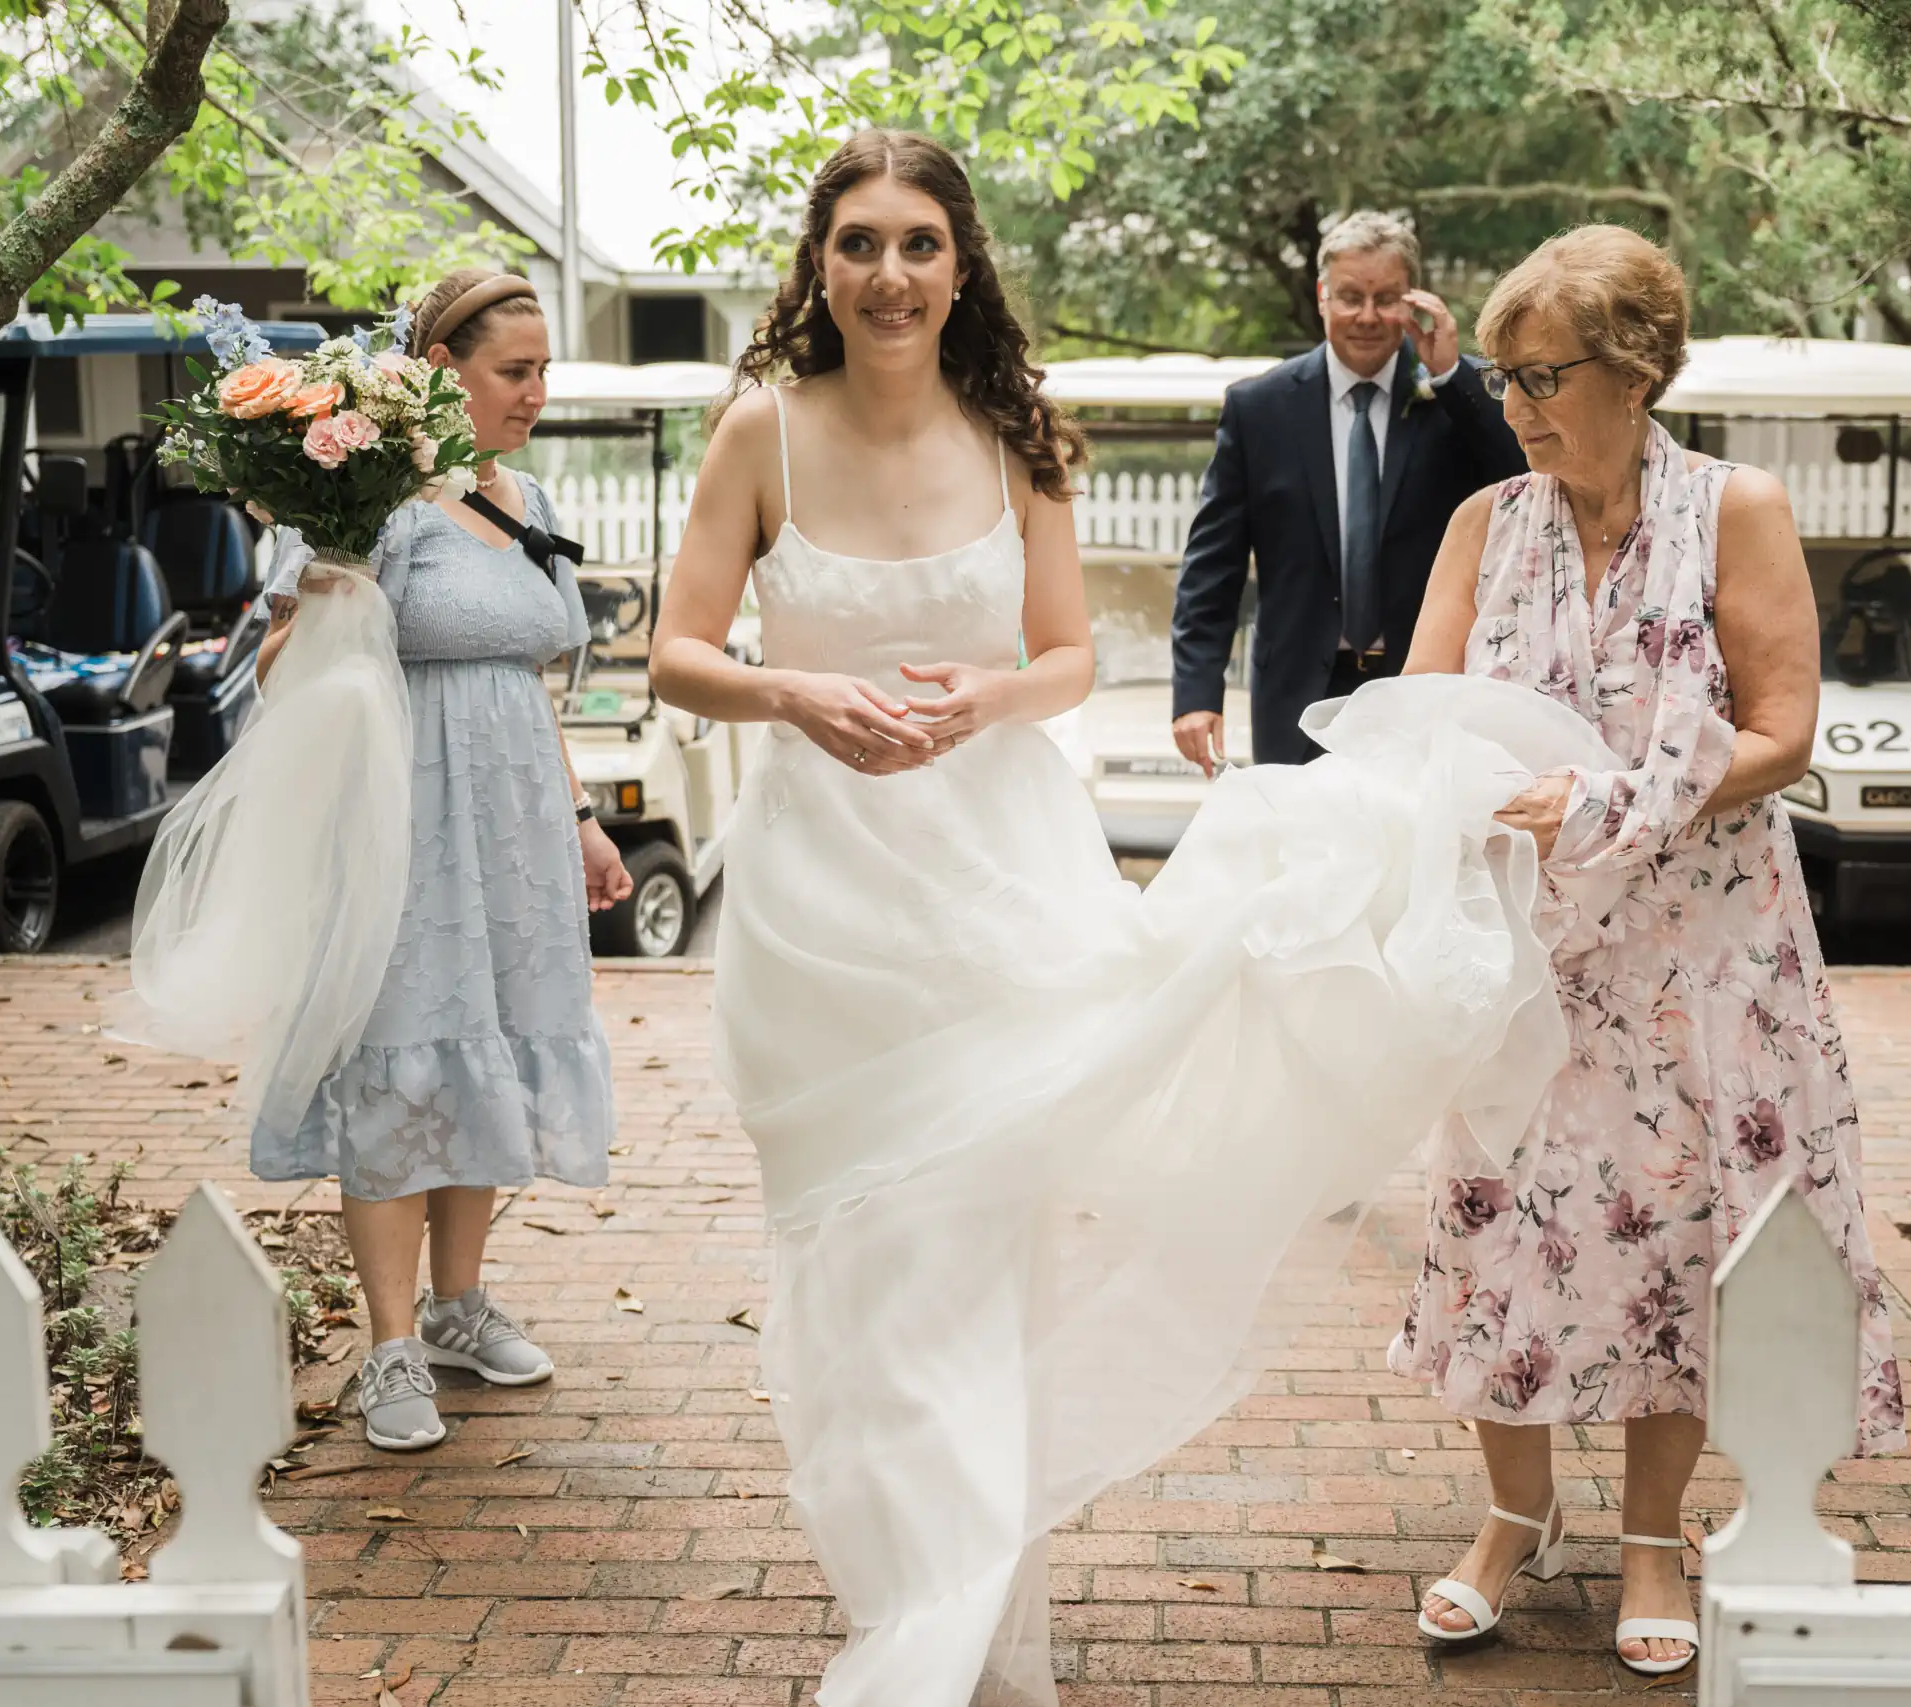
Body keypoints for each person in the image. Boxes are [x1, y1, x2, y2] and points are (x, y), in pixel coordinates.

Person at [648, 131, 1590, 1707]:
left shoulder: (1015, 433)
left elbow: (1069, 659)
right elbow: (677, 654)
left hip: (993, 885)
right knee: (861, 1255)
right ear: (822, 261)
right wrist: (797, 690)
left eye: (920, 244)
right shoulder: (763, 433)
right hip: (819, 908)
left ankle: (948, 1621)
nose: (890, 274)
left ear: (962, 265)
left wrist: (983, 699)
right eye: (861, 242)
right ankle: (911, 1578)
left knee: (969, 1249)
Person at [1386, 226, 1904, 1676]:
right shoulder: (1485, 523)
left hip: (1700, 947)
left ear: (1637, 370)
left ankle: (1654, 1536)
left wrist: (1614, 804)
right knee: (1501, 1212)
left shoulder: (1737, 508)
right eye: (1503, 378)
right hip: (1529, 943)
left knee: (1677, 1228)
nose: (1515, 405)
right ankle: (1513, 1515)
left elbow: (1782, 733)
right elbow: (1424, 710)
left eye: (1542, 376)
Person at [251, 270, 632, 1452]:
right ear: (439, 372)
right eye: (515, 371)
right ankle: (389, 1346)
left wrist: (582, 820)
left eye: (544, 369)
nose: (537, 391)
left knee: (491, 1052)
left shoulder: (529, 495)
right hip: (399, 818)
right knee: (400, 1059)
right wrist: (331, 592)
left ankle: (459, 1306)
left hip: (516, 821)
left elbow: (530, 679)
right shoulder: (367, 496)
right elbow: (271, 670)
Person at [1170, 212, 1526, 771]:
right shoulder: (1258, 409)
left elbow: (1525, 482)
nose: (1367, 316)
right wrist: (1196, 692)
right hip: (1296, 694)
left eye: (1386, 298)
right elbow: (1213, 565)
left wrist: (1450, 376)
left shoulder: (1459, 396)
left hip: (1425, 688)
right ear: (1322, 297)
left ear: (1413, 302)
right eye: (1350, 297)